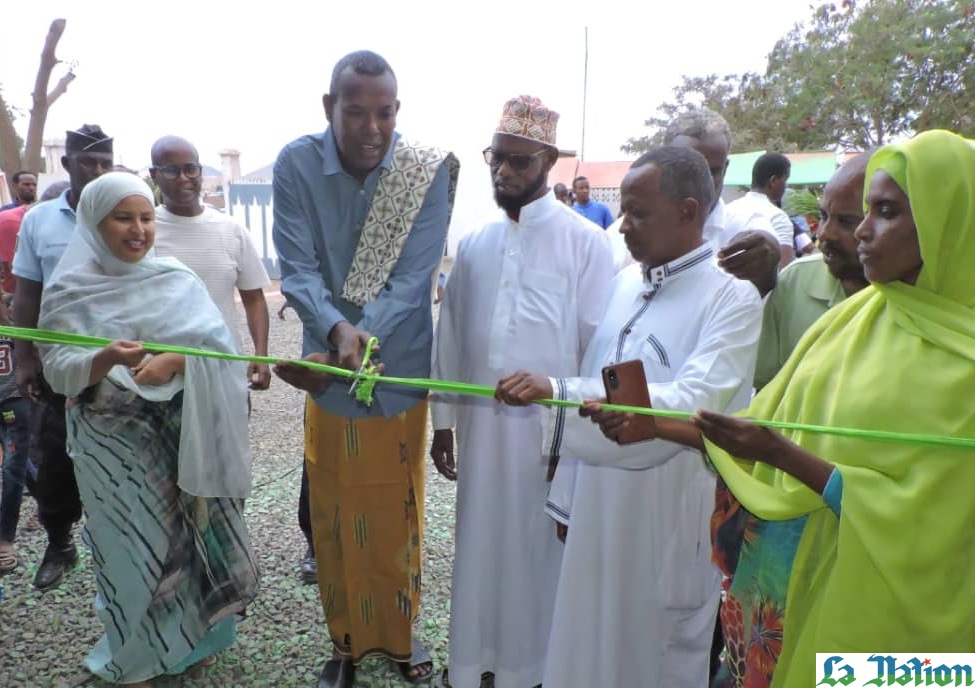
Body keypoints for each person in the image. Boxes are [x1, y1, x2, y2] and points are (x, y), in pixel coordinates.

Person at [592, 130, 975, 687]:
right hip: (796, 586)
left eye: (884, 212)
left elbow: (937, 519)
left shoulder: (964, 363)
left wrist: (787, 459)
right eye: (860, 212)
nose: (863, 230)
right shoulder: (855, 318)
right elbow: (765, 427)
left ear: (950, 222)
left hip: (902, 629)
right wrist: (659, 426)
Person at [496, 146, 763, 688]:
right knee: (582, 647)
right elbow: (599, 374)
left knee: (651, 661)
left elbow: (694, 402)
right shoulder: (625, 283)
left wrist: (557, 391)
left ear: (688, 211)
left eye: (639, 212)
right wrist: (566, 499)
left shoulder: (732, 300)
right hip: (596, 511)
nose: (623, 226)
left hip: (664, 521)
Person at [270, 49, 458, 687]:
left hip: (398, 372)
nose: (372, 128)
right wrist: (335, 329)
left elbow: (414, 280)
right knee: (334, 509)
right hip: (328, 371)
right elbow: (295, 267)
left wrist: (365, 331)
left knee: (399, 513)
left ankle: (402, 638)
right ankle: (345, 645)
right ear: (330, 109)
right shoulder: (296, 164)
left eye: (384, 113)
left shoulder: (423, 173)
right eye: (355, 113)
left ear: (397, 112)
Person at [36, 171, 257, 686]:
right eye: (123, 218)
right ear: (94, 223)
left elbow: (220, 350)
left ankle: (193, 645)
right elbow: (57, 367)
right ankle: (136, 654)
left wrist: (175, 360)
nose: (138, 230)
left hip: (184, 440)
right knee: (130, 549)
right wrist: (105, 356)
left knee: (192, 542)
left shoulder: (175, 277)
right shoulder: (70, 289)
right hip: (112, 452)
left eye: (146, 218)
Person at [430, 95, 614, 688]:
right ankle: (477, 664)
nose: (503, 172)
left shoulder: (586, 243)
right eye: (496, 159)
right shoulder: (477, 245)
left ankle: (531, 670)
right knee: (480, 549)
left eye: (517, 161)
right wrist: (442, 423)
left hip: (549, 442)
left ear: (550, 161)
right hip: (482, 435)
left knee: (539, 555)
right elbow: (452, 337)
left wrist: (575, 434)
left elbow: (597, 347)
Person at [12, 123, 114, 590]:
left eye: (105, 163)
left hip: (119, 364)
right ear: (67, 162)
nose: (96, 171)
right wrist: (26, 356)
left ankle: (119, 546)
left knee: (118, 458)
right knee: (54, 462)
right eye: (87, 161)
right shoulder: (39, 220)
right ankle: (60, 543)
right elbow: (27, 294)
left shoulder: (125, 210)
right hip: (59, 364)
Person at [149, 135, 271, 390]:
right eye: (171, 171)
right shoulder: (145, 232)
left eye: (190, 169)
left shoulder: (231, 229)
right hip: (160, 378)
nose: (183, 178)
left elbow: (254, 298)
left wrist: (260, 353)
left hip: (223, 369)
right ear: (154, 174)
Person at [753, 152, 870, 390]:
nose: (825, 233)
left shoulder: (918, 296)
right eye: (824, 216)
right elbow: (767, 389)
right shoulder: (794, 282)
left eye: (846, 222)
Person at [0, 293, 31, 573]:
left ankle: (5, 538)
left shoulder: (14, 328)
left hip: (14, 404)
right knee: (23, 465)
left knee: (13, 467)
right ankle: (48, 509)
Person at [725, 152, 795, 268]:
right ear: (773, 181)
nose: (785, 186)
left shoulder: (728, 210)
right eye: (785, 179)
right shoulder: (778, 217)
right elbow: (784, 271)